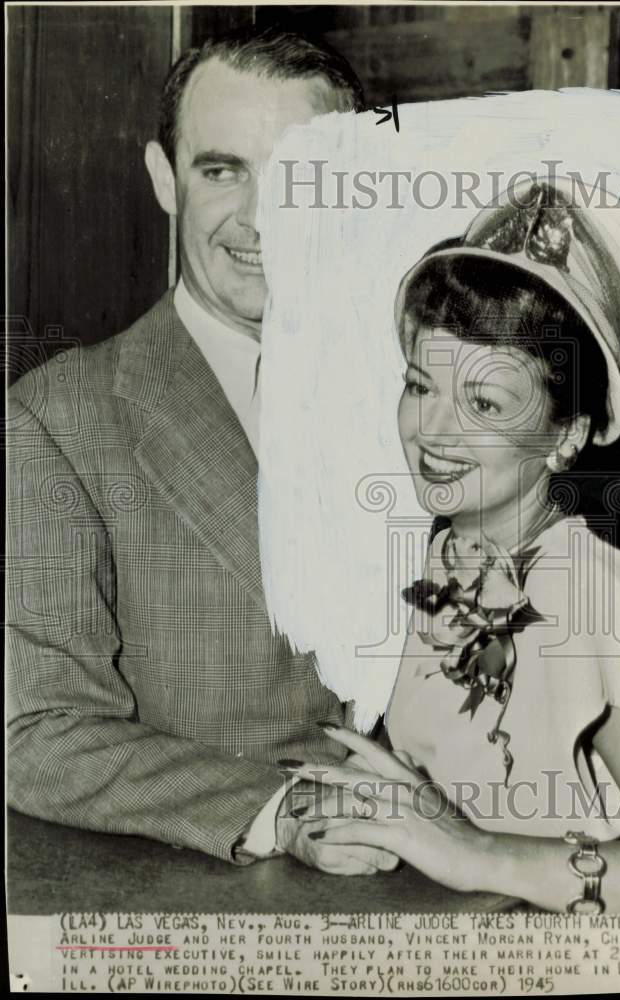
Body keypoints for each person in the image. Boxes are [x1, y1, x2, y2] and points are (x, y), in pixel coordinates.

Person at [7, 26, 397, 877]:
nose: (262, 220)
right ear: (164, 180)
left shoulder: (426, 389)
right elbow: (34, 732)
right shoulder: (54, 421)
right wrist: (282, 809)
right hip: (231, 887)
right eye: (224, 171)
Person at [284, 177, 620, 913]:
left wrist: (478, 855)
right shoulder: (421, 556)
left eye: (483, 403)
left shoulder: (593, 592)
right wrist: (323, 821)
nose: (433, 432)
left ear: (567, 434)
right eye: (422, 387)